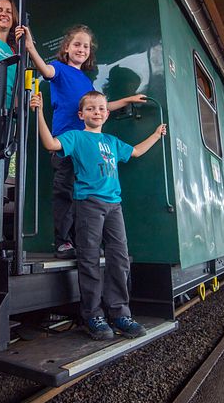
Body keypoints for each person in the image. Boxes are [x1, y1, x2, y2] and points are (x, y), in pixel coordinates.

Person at [30, 89, 167, 340]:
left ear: (107, 113)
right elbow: (50, 144)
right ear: (81, 114)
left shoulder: (112, 142)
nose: (98, 112)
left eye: (102, 108)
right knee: (89, 259)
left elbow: (135, 152)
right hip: (88, 204)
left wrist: (157, 135)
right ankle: (92, 315)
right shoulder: (75, 137)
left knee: (119, 259)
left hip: (114, 206)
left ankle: (119, 314)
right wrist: (38, 112)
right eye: (92, 108)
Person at [15, 24, 146, 259]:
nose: (81, 49)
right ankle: (63, 242)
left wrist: (128, 99)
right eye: (77, 44)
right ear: (66, 48)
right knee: (64, 192)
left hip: (87, 147)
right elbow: (45, 71)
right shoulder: (59, 69)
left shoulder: (86, 82)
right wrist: (30, 47)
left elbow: (101, 106)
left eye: (86, 46)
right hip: (67, 143)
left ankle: (84, 242)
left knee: (84, 196)